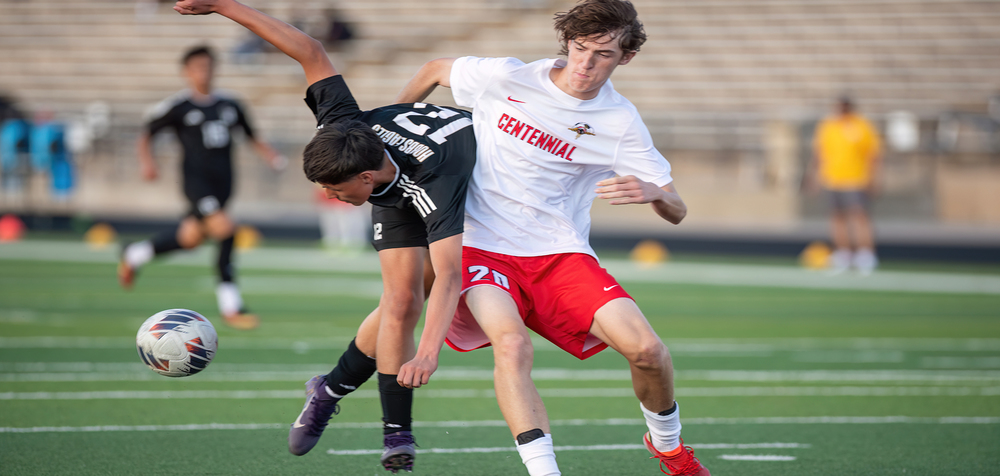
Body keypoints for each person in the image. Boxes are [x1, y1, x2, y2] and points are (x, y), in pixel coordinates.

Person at [392, 1, 711, 474]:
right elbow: (435, 70)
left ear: (626, 57)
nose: (585, 63)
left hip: (559, 254)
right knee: (512, 345)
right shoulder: (507, 77)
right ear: (566, 42)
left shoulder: (620, 121)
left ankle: (669, 447)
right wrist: (391, 133)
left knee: (648, 351)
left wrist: (652, 193)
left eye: (602, 54)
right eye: (579, 48)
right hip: (481, 246)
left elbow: (677, 210)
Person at [173, 1, 476, 472]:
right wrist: (222, 6)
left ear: (367, 177)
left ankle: (330, 388)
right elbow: (310, 50)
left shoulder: (432, 183)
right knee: (400, 302)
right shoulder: (343, 127)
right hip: (400, 175)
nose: (332, 197)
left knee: (432, 283)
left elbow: (453, 275)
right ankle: (397, 434)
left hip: (454, 181)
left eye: (336, 190)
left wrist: (430, 353)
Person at [118, 45, 285, 330]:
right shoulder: (178, 106)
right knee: (226, 230)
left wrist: (271, 156)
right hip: (196, 185)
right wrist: (148, 163)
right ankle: (232, 306)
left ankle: (134, 254)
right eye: (197, 68)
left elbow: (250, 135)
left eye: (207, 67)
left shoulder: (231, 104)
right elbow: (146, 134)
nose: (203, 73)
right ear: (186, 73)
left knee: (190, 238)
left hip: (224, 185)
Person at [807, 96, 882, 275]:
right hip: (832, 179)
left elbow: (873, 154)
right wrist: (813, 176)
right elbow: (820, 153)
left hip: (855, 179)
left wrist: (874, 177)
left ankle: (865, 254)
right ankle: (844, 254)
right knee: (836, 217)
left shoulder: (862, 125)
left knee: (859, 217)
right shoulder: (828, 126)